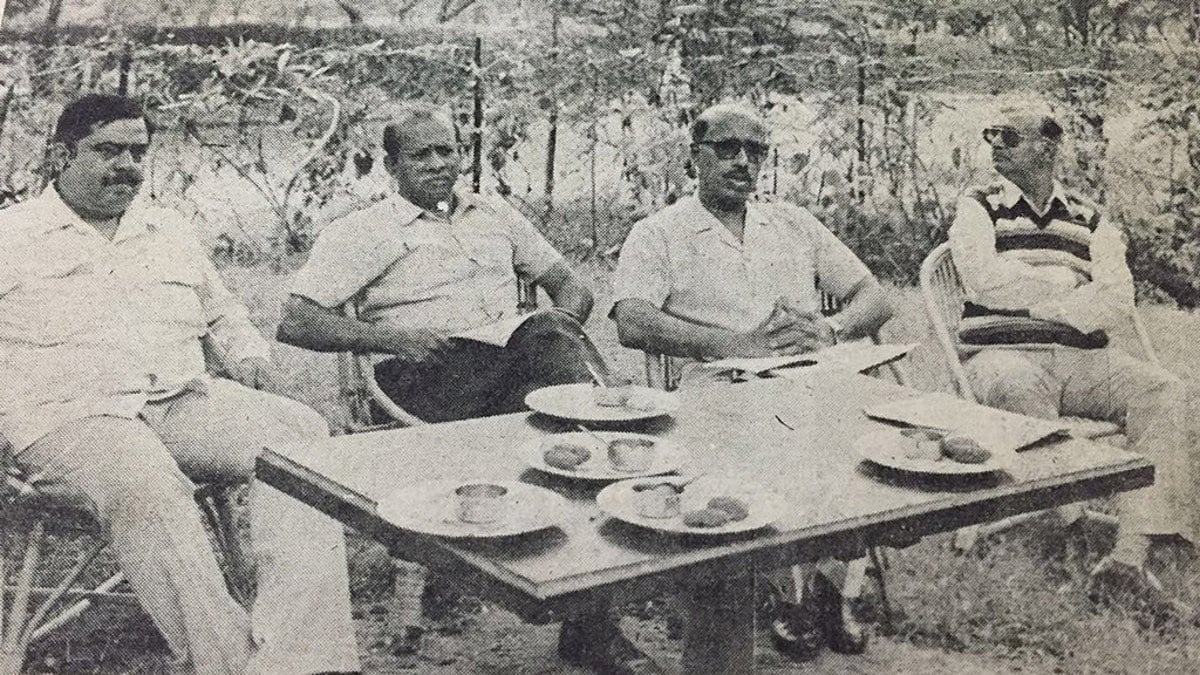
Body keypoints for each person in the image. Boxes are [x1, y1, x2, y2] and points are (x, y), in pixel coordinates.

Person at [277, 102, 660, 675]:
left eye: (447, 151)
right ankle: (610, 415)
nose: (438, 164)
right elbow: (296, 320)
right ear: (391, 165)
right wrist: (393, 338)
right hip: (426, 372)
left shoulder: (494, 213)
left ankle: (589, 624)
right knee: (575, 410)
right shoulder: (363, 231)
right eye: (421, 155)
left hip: (510, 364)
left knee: (570, 417)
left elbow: (569, 286)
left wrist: (563, 323)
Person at [0, 94, 360, 674]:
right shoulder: (11, 236)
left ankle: (302, 658)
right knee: (147, 483)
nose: (127, 166)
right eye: (108, 151)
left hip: (179, 401)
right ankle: (228, 664)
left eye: (137, 152)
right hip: (71, 418)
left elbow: (223, 313)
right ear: (62, 155)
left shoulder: (166, 229)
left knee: (301, 438)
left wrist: (247, 355)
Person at [610, 103, 894, 659]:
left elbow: (875, 297)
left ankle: (834, 587)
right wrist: (736, 343)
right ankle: (788, 596)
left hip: (810, 376)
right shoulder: (660, 232)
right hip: (720, 385)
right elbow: (632, 320)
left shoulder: (792, 223)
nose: (743, 162)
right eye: (727, 148)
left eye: (755, 151)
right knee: (775, 433)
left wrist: (830, 329)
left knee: (868, 432)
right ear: (695, 157)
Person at [948, 106, 1194, 628]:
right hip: (1002, 355)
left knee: (1164, 391)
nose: (995, 144)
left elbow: (1117, 300)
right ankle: (1072, 523)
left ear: (1046, 147)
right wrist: (1067, 286)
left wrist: (1038, 296)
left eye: (1009, 136)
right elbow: (983, 280)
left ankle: (1128, 558)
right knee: (1015, 384)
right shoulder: (977, 206)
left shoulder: (1091, 217)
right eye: (991, 134)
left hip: (1084, 360)